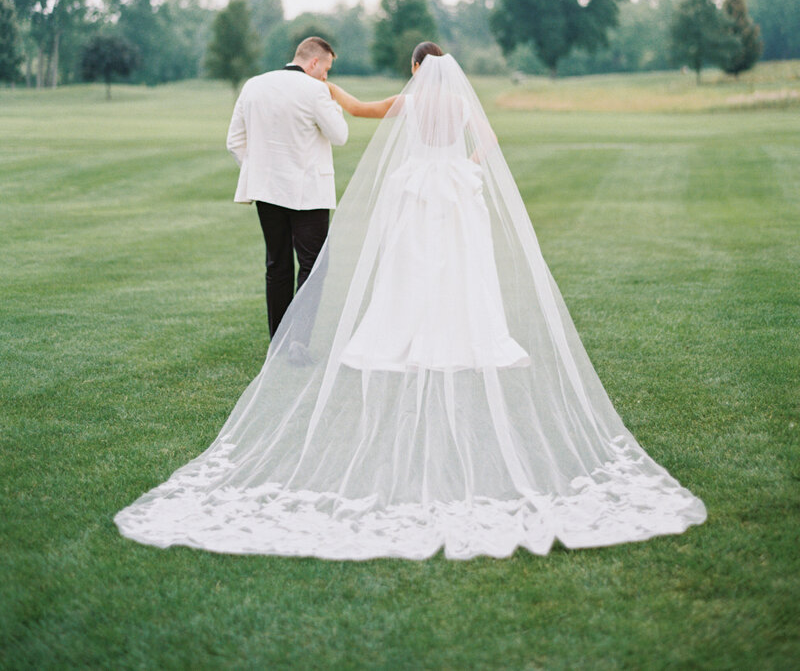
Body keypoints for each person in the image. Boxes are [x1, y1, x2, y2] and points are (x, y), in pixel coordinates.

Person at [116, 44, 706, 559]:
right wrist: (465, 167)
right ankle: (467, 333)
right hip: (454, 184)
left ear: (419, 68)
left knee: (412, 265)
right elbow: (490, 142)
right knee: (461, 266)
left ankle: (404, 332)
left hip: (418, 183)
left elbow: (358, 112)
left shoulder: (412, 101)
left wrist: (326, 84)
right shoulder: (460, 103)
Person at [225, 36, 348, 352]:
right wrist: (333, 102)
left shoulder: (253, 85)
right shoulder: (315, 89)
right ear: (313, 63)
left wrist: (259, 171)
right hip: (309, 192)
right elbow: (340, 135)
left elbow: (234, 141)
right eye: (326, 70)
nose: (326, 77)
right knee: (313, 266)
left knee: (276, 264)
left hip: (267, 190)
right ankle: (298, 340)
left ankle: (277, 342)